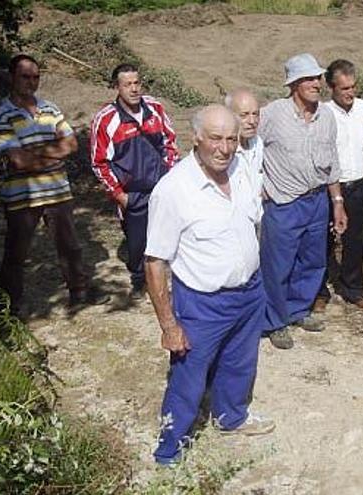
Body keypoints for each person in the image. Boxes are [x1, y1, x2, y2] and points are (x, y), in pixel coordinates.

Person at [146, 105, 274, 465]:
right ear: (197, 138)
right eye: (215, 138)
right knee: (188, 377)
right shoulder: (174, 189)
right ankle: (171, 447)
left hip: (249, 292)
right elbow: (155, 261)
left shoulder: (242, 169)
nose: (224, 148)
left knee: (239, 362)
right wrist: (169, 326)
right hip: (203, 303)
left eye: (231, 139)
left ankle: (231, 417)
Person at [0, 54, 108, 313]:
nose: (31, 82)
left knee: (70, 246)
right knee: (16, 254)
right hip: (23, 196)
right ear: (12, 77)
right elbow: (18, 160)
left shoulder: (51, 108)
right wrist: (54, 152)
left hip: (57, 191)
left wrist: (36, 155)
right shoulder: (2, 114)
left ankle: (79, 291)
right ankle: (7, 306)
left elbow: (73, 144)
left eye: (36, 77)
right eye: (25, 76)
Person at [258, 53, 347, 350]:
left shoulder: (327, 116)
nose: (316, 84)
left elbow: (332, 161)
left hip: (317, 201)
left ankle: (298, 311)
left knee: (312, 261)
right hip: (283, 203)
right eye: (309, 78)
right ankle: (274, 320)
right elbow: (247, 147)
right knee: (277, 265)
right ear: (293, 83)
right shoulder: (272, 114)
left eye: (318, 78)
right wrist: (257, 186)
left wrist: (337, 201)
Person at [90, 63, 179, 301]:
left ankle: (163, 282)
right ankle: (140, 281)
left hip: (161, 188)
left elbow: (170, 143)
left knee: (164, 236)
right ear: (116, 87)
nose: (133, 88)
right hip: (133, 193)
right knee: (138, 242)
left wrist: (170, 175)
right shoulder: (106, 119)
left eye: (137, 83)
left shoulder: (155, 108)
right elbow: (99, 162)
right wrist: (119, 195)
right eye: (127, 84)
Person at [314, 59, 363, 311]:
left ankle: (353, 288)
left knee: (355, 240)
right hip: (330, 186)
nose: (350, 93)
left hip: (358, 184)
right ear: (332, 88)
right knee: (322, 240)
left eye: (353, 87)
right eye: (344, 88)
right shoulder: (322, 113)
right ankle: (318, 291)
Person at [225, 88, 264, 203]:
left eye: (255, 114)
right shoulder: (222, 152)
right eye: (244, 115)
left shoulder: (257, 143)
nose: (252, 121)